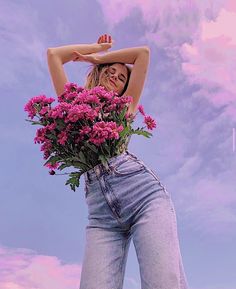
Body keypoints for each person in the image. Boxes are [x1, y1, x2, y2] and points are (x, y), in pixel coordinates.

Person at [47, 34, 189, 289]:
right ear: (99, 75)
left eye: (122, 77)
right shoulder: (72, 105)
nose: (115, 76)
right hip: (101, 215)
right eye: (110, 71)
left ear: (125, 88)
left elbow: (142, 54)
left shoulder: (124, 108)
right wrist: (96, 48)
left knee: (162, 284)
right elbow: (54, 55)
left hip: (144, 195)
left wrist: (101, 58)